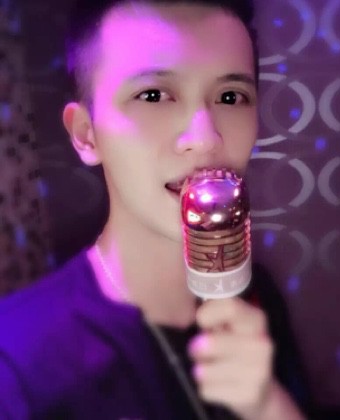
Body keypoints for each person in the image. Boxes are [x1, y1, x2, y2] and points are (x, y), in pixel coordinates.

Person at [0, 0, 309, 418]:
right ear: (86, 134)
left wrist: (269, 405)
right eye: (153, 95)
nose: (205, 139)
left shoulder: (258, 295)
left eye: (231, 96)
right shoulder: (15, 361)